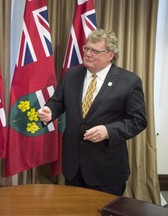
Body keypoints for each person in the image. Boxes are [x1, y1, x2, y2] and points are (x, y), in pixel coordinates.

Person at [38, 29, 147, 196]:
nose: (88, 54)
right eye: (86, 49)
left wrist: (108, 131)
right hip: (73, 166)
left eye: (95, 51)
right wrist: (49, 111)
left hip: (106, 169)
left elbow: (138, 121)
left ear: (110, 55)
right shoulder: (71, 75)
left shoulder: (129, 81)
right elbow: (57, 101)